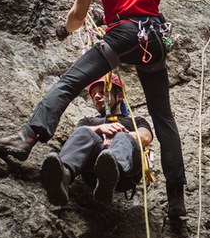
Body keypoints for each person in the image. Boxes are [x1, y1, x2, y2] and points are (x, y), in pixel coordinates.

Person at [0, 0, 187, 218]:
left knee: (69, 83)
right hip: (154, 40)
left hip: (123, 35)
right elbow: (145, 4)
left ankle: (26, 137)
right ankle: (176, 199)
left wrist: (64, 30)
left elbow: (78, 15)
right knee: (163, 118)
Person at [40, 74, 152, 207]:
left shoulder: (136, 121)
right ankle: (63, 177)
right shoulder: (88, 121)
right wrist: (100, 128)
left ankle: (112, 171)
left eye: (103, 91)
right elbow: (76, 137)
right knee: (82, 131)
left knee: (122, 137)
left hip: (126, 174)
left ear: (120, 96)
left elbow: (145, 137)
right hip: (93, 171)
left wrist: (119, 136)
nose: (97, 96)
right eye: (93, 94)